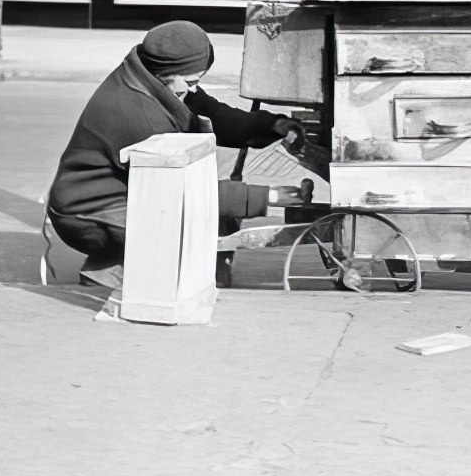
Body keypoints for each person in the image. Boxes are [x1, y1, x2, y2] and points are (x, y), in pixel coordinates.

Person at [46, 20, 308, 286]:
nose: (194, 88)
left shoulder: (157, 79)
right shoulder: (140, 115)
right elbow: (183, 190)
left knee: (208, 218)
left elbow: (216, 114)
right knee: (191, 228)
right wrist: (268, 196)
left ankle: (123, 260)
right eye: (192, 81)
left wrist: (272, 124)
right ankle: (109, 271)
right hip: (87, 212)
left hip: (121, 194)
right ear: (168, 74)